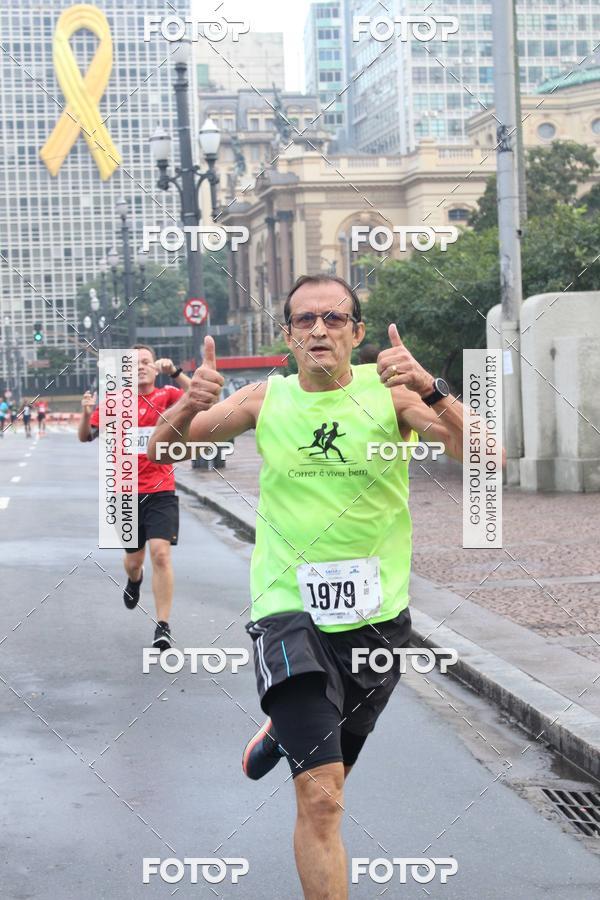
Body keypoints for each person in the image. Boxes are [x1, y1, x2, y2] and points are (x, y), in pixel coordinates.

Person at [149, 274, 498, 899]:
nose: (319, 329)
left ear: (357, 333)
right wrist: (186, 403)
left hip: (376, 624)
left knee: (330, 778)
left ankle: (282, 731)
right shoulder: (264, 399)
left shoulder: (390, 397)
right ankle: (292, 724)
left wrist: (432, 388)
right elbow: (162, 449)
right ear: (288, 335)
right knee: (322, 802)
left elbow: (488, 457)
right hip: (289, 615)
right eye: (305, 320)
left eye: (334, 319)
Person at [78, 346, 191, 651]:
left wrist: (177, 373)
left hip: (162, 488)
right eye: (133, 363)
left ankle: (163, 626)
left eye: (146, 362)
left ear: (155, 367)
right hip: (126, 491)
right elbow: (86, 435)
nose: (140, 367)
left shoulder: (167, 395)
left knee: (161, 554)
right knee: (134, 560)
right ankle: (134, 580)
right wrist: (88, 412)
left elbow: (201, 398)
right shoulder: (115, 402)